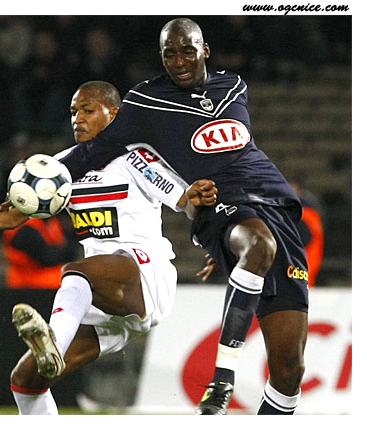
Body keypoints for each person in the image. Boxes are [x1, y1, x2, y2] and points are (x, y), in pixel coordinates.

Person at [0, 80, 218, 414]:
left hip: (145, 276)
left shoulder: (137, 159)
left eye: (88, 110)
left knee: (76, 271)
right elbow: (8, 217)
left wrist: (206, 222)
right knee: (24, 381)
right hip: (100, 296)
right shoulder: (60, 168)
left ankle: (54, 343)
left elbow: (186, 201)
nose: (78, 119)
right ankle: (51, 354)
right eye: (74, 111)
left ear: (115, 115)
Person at [59, 18, 309, 415]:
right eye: (169, 54)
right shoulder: (144, 101)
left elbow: (238, 148)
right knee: (258, 244)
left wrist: (227, 249)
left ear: (204, 50)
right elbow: (93, 151)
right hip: (220, 203)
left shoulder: (234, 86)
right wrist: (43, 175)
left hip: (274, 207)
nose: (178, 61)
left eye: (187, 51)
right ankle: (221, 382)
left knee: (290, 371)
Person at [3, 215, 79, 289]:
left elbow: (69, 253)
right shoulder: (26, 228)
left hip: (45, 274)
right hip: (27, 280)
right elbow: (48, 258)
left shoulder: (51, 222)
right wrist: (65, 250)